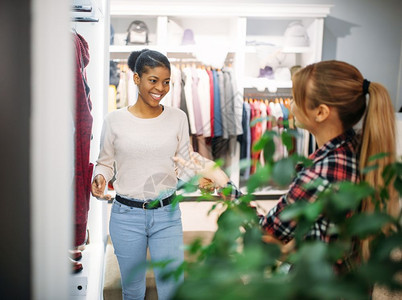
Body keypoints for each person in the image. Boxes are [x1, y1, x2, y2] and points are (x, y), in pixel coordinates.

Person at [174, 60, 399, 262]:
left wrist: (221, 180)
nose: (290, 104)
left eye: (296, 98)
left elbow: (267, 233)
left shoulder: (320, 172)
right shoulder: (355, 149)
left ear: (320, 112)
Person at [91, 49, 193, 300]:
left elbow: (186, 164)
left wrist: (204, 177)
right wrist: (100, 177)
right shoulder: (114, 120)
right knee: (133, 290)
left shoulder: (178, 118)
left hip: (167, 214)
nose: (161, 88)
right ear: (136, 79)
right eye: (153, 80)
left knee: (172, 289)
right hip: (126, 216)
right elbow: (104, 163)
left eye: (166, 81)